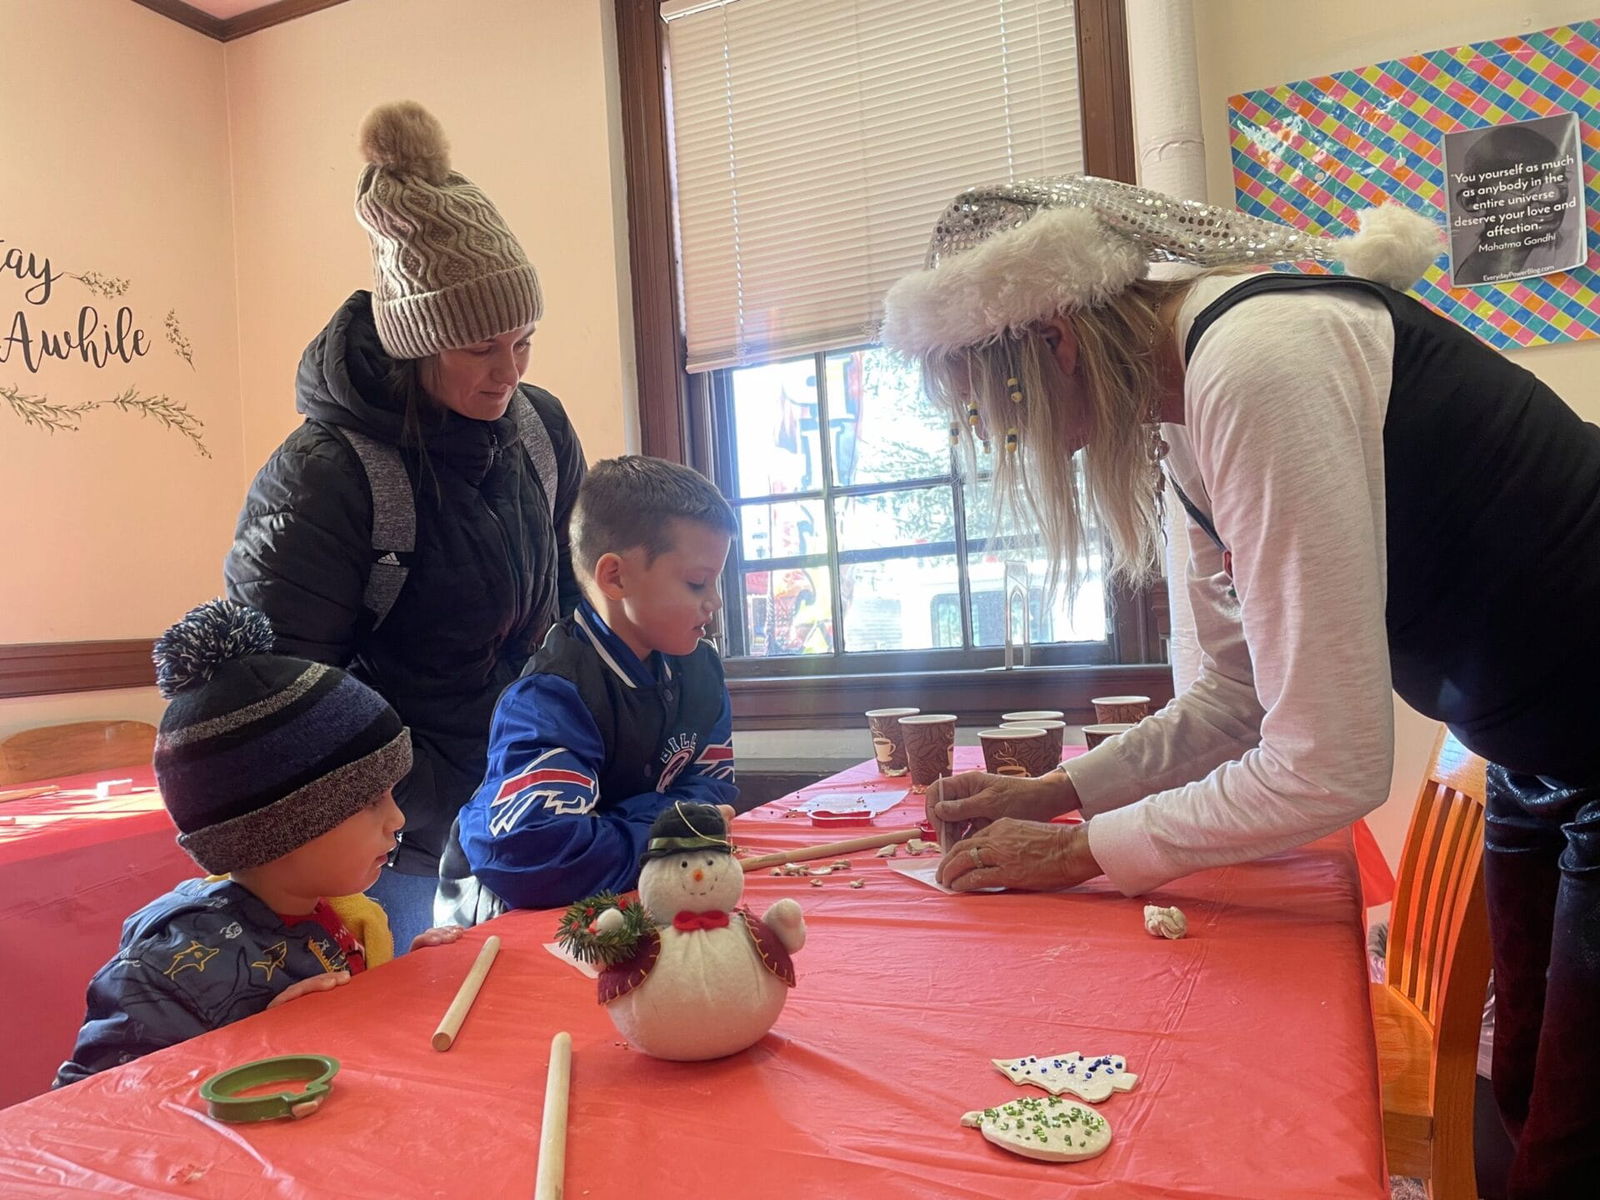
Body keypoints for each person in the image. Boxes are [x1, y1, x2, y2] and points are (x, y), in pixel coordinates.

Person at [880, 176, 1600, 1199]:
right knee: (1520, 1089)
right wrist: (1064, 793)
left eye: (1001, 419)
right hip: (1537, 743)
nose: (1021, 447)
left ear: (1057, 343)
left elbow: (1329, 764)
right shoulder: (1184, 416)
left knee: (1573, 1145)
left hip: (1578, 714)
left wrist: (1083, 851)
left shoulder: (1259, 364)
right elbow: (1234, 697)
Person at [226, 101, 585, 949]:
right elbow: (282, 693)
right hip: (381, 846)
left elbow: (575, 603)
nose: (510, 373)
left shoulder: (541, 429)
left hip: (525, 800)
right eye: (481, 349)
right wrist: (411, 802)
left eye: (525, 341)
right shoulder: (322, 477)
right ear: (419, 339)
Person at [55, 600, 462, 1086]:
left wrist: (399, 985)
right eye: (370, 800)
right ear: (282, 828)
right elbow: (85, 1117)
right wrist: (257, 1047)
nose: (398, 819)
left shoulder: (340, 915)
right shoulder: (168, 973)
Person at [437, 457, 739, 922]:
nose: (714, 601)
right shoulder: (551, 696)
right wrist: (668, 827)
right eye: (697, 581)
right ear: (615, 577)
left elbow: (715, 795)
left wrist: (634, 824)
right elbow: (537, 857)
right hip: (506, 926)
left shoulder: (701, 670)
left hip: (628, 897)